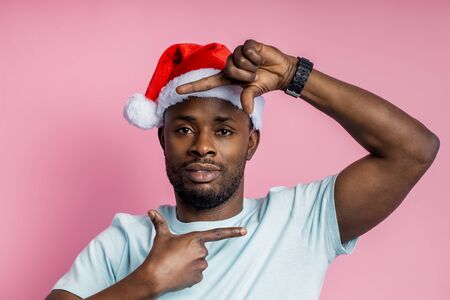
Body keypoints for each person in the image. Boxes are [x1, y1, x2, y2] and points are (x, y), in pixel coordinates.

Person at [46, 40, 439, 300]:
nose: (202, 146)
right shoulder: (125, 240)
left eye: (224, 130)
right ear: (162, 139)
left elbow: (414, 149)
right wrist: (145, 282)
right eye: (184, 129)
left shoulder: (301, 219)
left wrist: (292, 75)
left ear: (251, 141)